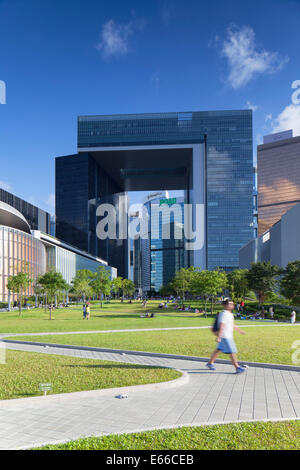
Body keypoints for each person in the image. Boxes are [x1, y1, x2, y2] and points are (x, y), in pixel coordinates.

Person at [207, 299, 246, 374]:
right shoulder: (224, 314)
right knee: (232, 352)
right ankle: (237, 367)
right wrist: (219, 336)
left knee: (218, 349)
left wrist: (239, 330)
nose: (232, 305)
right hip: (225, 336)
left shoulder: (230, 314)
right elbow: (222, 325)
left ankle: (210, 363)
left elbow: (232, 324)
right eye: (230, 304)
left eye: (232, 304)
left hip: (228, 335)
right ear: (225, 305)